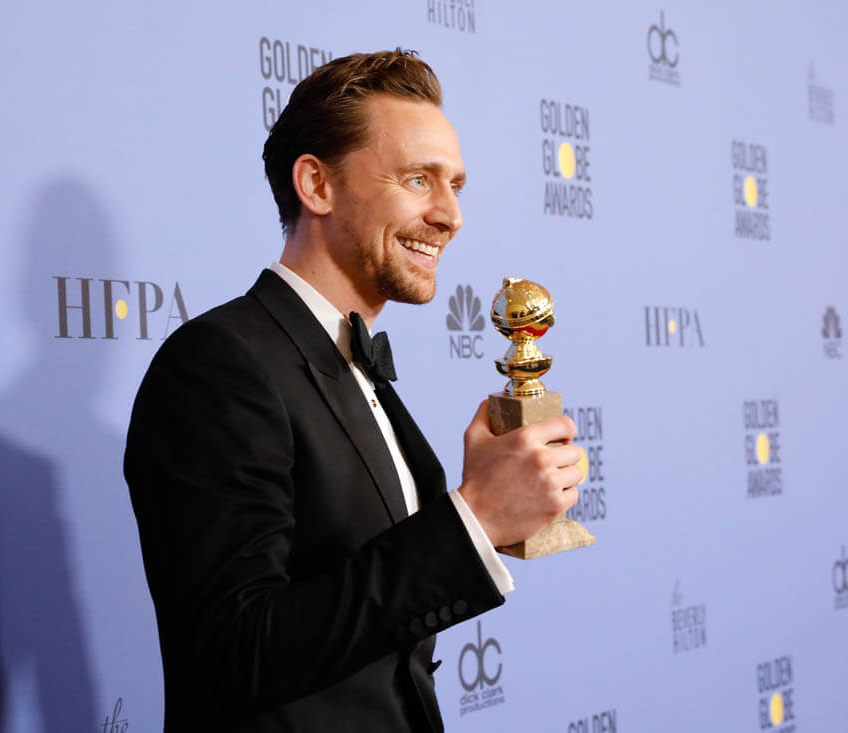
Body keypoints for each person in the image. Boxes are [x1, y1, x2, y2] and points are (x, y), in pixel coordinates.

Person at [124, 49, 583, 732]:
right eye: (418, 180)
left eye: (456, 185)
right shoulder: (219, 365)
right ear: (316, 184)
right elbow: (232, 653)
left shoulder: (351, 362)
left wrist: (484, 514)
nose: (451, 215)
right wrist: (475, 517)